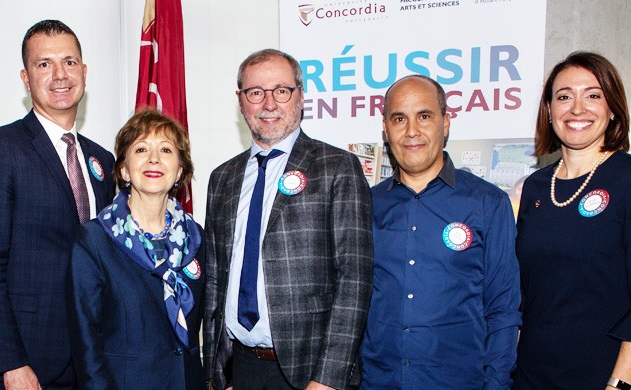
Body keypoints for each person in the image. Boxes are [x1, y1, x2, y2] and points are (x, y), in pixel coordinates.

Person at [203, 48, 373, 390]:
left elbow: (354, 278)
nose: (269, 104)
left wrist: (327, 379)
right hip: (242, 369)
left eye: (281, 91)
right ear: (241, 101)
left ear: (300, 97)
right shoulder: (222, 177)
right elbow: (214, 281)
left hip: (310, 374)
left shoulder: (336, 167)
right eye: (255, 93)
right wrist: (219, 374)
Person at [0, 20, 115, 389]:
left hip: (91, 359)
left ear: (84, 72)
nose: (59, 74)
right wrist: (10, 362)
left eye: (69, 62)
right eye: (44, 64)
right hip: (26, 362)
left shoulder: (102, 160)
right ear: (26, 78)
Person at [360, 75, 521, 389]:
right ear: (385, 128)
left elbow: (503, 309)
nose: (411, 131)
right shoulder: (365, 205)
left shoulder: (487, 202)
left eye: (424, 116)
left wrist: (497, 384)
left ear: (445, 123)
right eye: (398, 118)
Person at [514, 51, 631, 390]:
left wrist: (619, 382)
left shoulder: (626, 179)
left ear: (612, 109)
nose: (577, 109)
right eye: (564, 97)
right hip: (530, 375)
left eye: (593, 95)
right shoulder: (534, 187)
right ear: (549, 111)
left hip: (603, 376)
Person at [66, 109, 205, 389]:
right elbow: (86, 345)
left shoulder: (196, 238)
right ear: (124, 170)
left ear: (179, 171)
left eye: (166, 149)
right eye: (141, 149)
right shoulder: (93, 240)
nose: (154, 158)